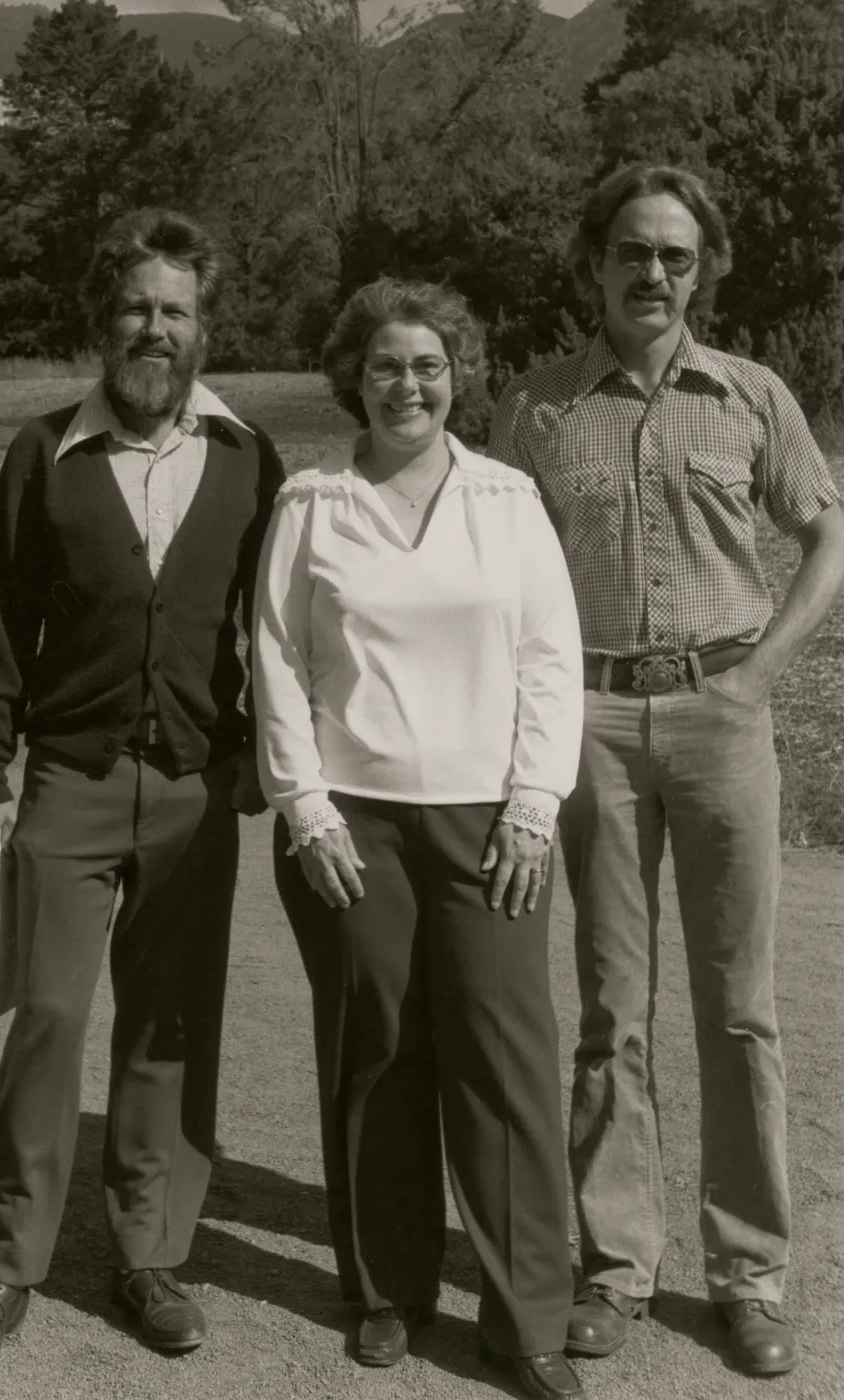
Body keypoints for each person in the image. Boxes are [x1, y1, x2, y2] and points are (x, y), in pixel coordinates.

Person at [488, 163, 844, 1379]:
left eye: (676, 257)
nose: (653, 274)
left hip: (721, 714)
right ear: (594, 264)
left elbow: (828, 531)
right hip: (587, 719)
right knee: (609, 1006)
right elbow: (493, 569)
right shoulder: (538, 408)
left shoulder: (752, 397)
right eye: (632, 252)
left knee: (741, 1007)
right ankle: (616, 1261)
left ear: (706, 269)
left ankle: (748, 1273)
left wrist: (755, 676)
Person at [0, 207, 285, 1377]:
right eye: (136, 306)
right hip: (69, 785)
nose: (155, 327)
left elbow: (276, 628)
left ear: (203, 326)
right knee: (48, 1022)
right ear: (103, 319)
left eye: (176, 310)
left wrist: (252, 759)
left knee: (166, 1030)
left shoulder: (250, 456)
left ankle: (149, 1253)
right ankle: (4, 1268)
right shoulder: (45, 452)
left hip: (193, 790)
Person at [253, 277, 586, 1400]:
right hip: (353, 826)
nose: (410, 384)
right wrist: (304, 808)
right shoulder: (310, 502)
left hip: (493, 821)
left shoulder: (506, 498)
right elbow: (278, 660)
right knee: (377, 1052)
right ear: (357, 374)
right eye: (388, 364)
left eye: (430, 365)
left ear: (460, 376)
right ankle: (390, 1288)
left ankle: (529, 1315)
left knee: (506, 1063)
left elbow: (551, 656)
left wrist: (537, 799)